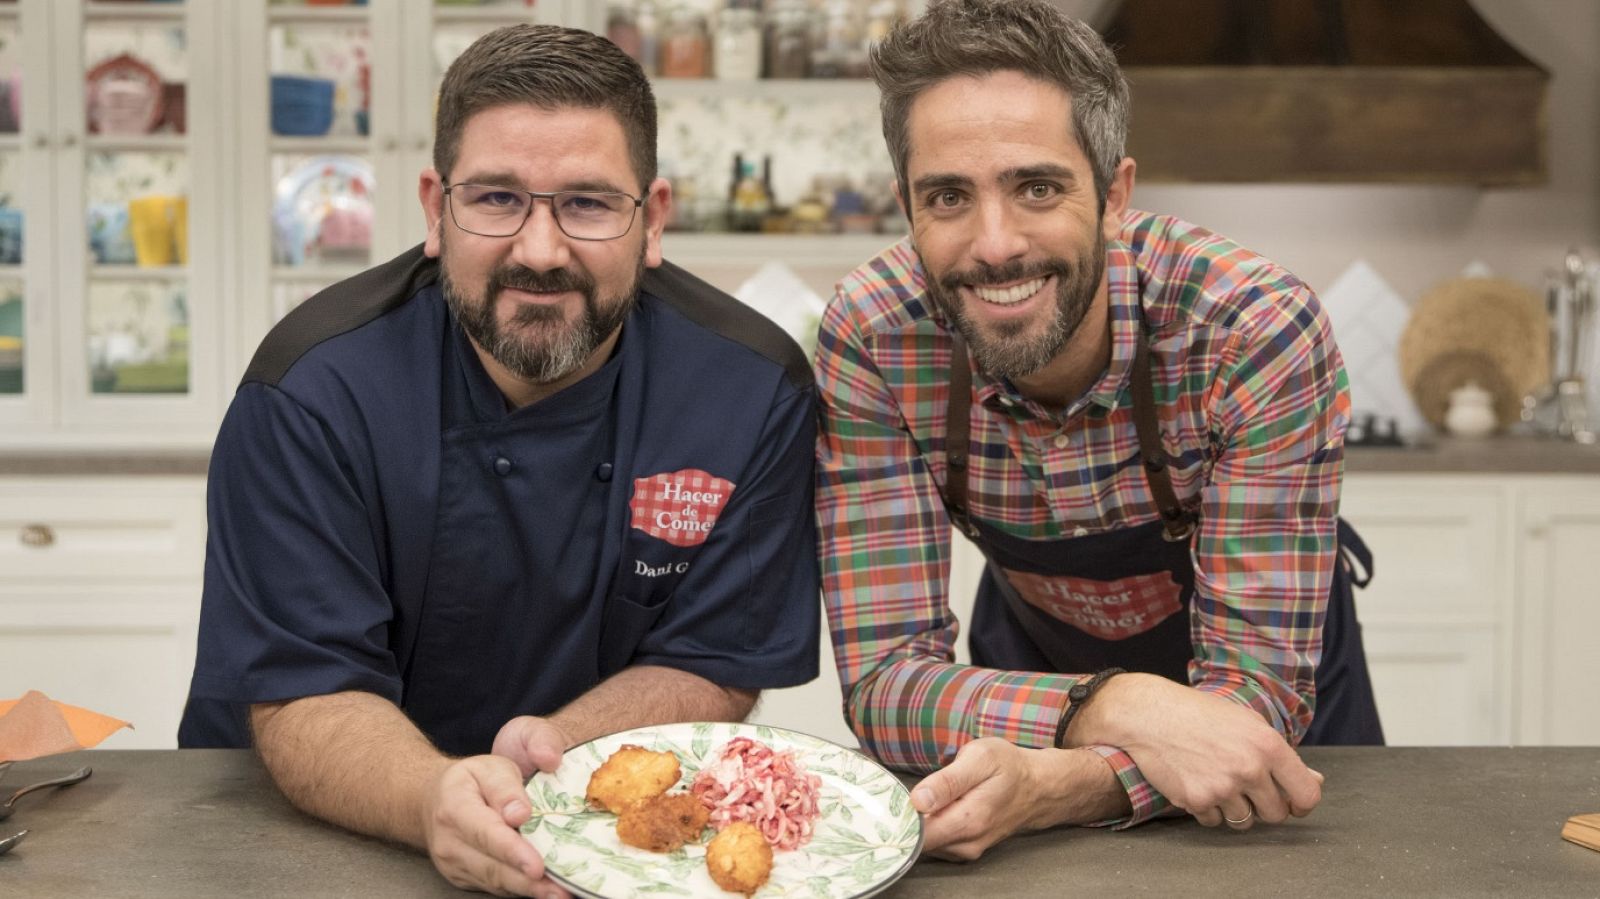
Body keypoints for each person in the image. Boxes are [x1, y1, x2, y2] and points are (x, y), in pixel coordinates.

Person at [179, 24, 819, 896]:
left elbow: (714, 655)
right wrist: (433, 795)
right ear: (434, 208)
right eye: (495, 199)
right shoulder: (312, 394)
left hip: (590, 842)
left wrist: (545, 758)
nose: (540, 250)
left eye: (588, 203)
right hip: (301, 839)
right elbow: (305, 690)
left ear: (654, 218)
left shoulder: (750, 392)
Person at [815, 0, 1384, 861]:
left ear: (1114, 194)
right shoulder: (873, 337)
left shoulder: (1253, 330)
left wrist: (1054, 783)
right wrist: (1112, 705)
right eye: (948, 197)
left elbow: (1253, 701)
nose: (995, 244)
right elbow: (886, 681)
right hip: (1028, 676)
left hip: (1283, 739)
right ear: (907, 206)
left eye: (1037, 187)